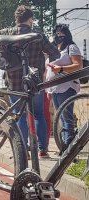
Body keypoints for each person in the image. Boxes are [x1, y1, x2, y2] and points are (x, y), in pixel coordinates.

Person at [0, 5, 60, 159]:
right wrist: (45, 67)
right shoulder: (37, 35)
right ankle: (43, 150)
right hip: (34, 82)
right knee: (38, 115)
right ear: (30, 19)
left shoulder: (6, 33)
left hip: (13, 83)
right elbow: (55, 53)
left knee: (19, 116)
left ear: (16, 19)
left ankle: (23, 151)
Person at [46, 24, 83, 153]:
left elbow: (78, 65)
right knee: (60, 118)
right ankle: (65, 147)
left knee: (67, 118)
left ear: (67, 34)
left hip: (67, 87)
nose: (58, 36)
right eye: (56, 33)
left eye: (61, 33)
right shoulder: (55, 50)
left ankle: (68, 149)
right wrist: (48, 89)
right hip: (55, 89)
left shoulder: (71, 47)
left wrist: (61, 69)